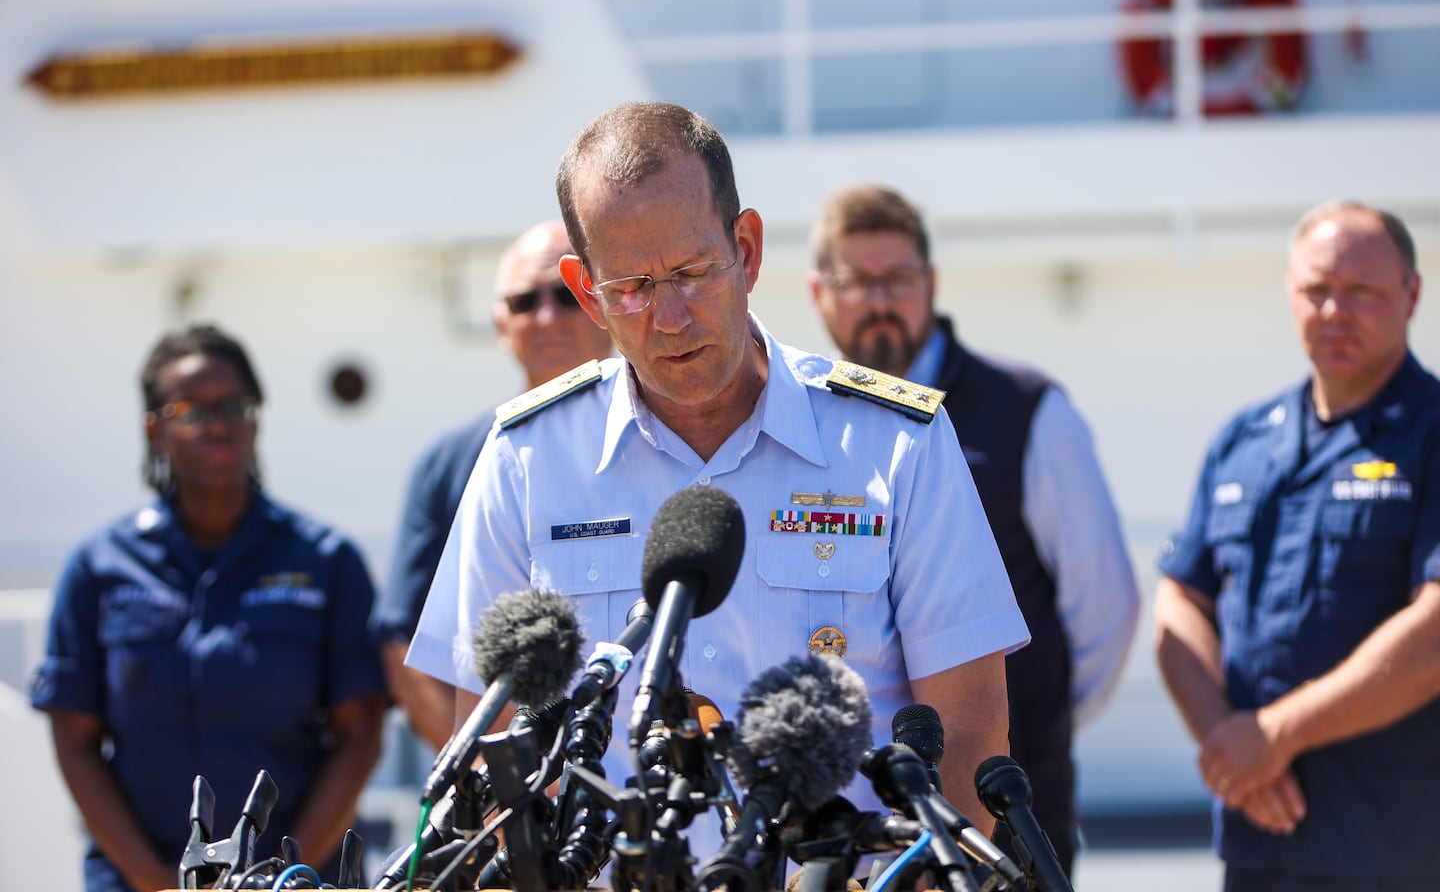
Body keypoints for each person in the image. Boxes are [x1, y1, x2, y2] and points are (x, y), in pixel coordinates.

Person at [405, 102, 1031, 836]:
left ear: (749, 249)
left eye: (692, 272)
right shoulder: (525, 459)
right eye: (632, 288)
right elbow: (492, 751)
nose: (669, 317)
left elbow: (968, 727)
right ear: (586, 292)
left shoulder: (897, 445)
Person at [806, 183, 1140, 875]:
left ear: (931, 285)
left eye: (898, 279)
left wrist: (1030, 720)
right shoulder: (802, 425)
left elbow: (1105, 604)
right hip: (857, 827)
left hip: (1012, 813)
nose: (879, 301)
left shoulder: (1028, 411)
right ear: (818, 294)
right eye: (857, 281)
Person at [29, 324, 387, 892]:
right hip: (137, 881)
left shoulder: (327, 560)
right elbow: (75, 741)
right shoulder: (98, 567)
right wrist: (153, 880)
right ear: (156, 429)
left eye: (235, 406)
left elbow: (360, 734)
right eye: (193, 410)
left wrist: (278, 878)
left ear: (257, 419)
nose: (218, 424)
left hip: (298, 880)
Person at [1154, 200, 1440, 891]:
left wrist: (1272, 737)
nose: (1335, 310)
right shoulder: (1244, 440)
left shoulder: (1432, 435)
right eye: (1317, 290)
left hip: (1395, 847)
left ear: (1412, 296)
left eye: (1363, 292)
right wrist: (1229, 745)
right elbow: (1180, 598)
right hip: (1259, 840)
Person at [372, 221, 612, 750]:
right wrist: (490, 784)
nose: (546, 317)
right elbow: (404, 644)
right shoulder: (448, 464)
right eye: (526, 301)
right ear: (501, 324)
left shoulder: (669, 440)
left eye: (567, 296)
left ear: (605, 306)